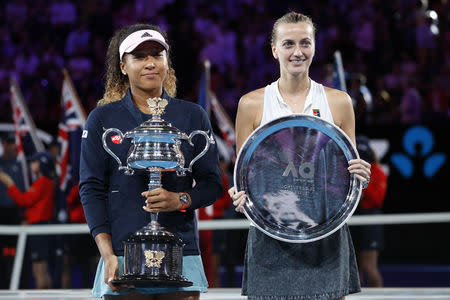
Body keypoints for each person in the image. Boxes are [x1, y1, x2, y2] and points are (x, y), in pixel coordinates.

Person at [228, 12, 372, 300]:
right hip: (271, 233)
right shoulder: (251, 104)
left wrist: (361, 177)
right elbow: (243, 175)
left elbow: (348, 175)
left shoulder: (339, 102)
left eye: (305, 43)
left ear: (315, 47)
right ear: (274, 49)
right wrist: (240, 196)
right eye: (288, 43)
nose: (297, 52)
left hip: (325, 231)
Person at [79, 23, 223, 299]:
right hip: (122, 254)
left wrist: (181, 199)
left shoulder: (192, 116)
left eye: (157, 55)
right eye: (140, 56)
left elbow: (212, 183)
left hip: (182, 251)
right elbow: (91, 189)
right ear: (123, 66)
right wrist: (108, 254)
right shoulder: (102, 120)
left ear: (167, 63)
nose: (150, 63)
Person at [0, 151, 55, 289]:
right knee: (41, 269)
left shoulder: (42, 182)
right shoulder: (44, 182)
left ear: (42, 164)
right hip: (40, 228)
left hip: (39, 229)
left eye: (34, 162)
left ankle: (43, 299)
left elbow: (24, 200)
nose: (31, 164)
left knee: (39, 270)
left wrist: (9, 184)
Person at [351, 136, 387, 287]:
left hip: (370, 220)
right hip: (354, 220)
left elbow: (377, 199)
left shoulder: (377, 171)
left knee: (369, 267)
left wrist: (361, 189)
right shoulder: (349, 168)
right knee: (354, 270)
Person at [0, 132, 25, 287]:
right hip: (1, 212)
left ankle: (16, 284)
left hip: (16, 212)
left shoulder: (21, 164)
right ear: (2, 144)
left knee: (15, 252)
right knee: (2, 253)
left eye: (12, 143)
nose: (10, 146)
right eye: (6, 143)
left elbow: (24, 192)